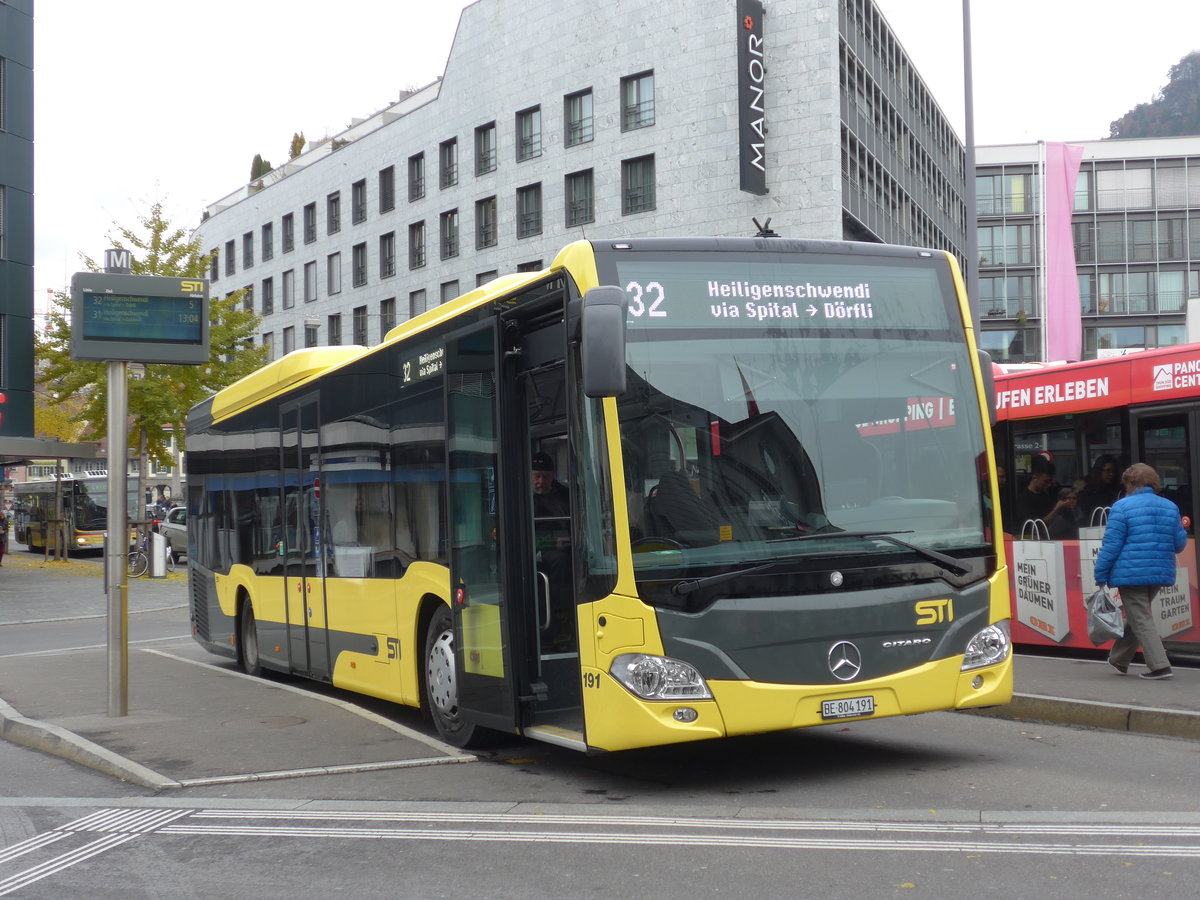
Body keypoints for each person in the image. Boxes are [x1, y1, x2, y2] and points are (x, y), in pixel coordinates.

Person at [1093, 463, 1187, 680]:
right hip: (1159, 573)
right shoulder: (1170, 507)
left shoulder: (1122, 507)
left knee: (1141, 618)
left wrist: (1100, 573)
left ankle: (1160, 666)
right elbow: (1179, 544)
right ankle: (1118, 659)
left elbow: (1112, 544)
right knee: (1139, 616)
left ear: (1131, 483)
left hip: (1130, 573)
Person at [1013, 461, 1071, 531]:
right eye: (1046, 481)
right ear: (1034, 478)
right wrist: (1056, 509)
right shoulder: (1024, 499)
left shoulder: (1048, 495)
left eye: (1050, 481)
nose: (1049, 485)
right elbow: (1036, 527)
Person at [1078, 454, 1121, 522]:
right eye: (1108, 471)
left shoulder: (1119, 490)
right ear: (1099, 471)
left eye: (1114, 471)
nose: (1111, 474)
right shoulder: (1088, 492)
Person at [531, 452, 569, 518]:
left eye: (546, 476)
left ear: (552, 476)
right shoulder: (522, 499)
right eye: (537, 476)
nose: (541, 481)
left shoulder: (566, 495)